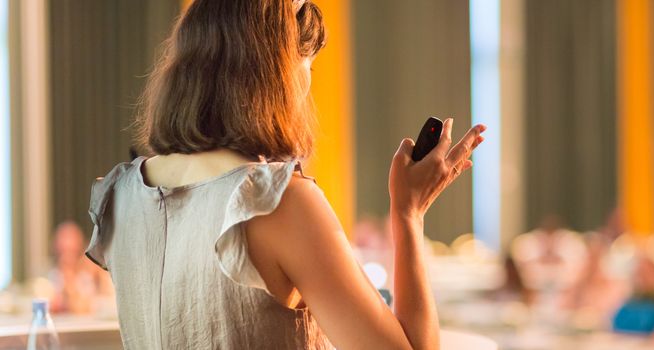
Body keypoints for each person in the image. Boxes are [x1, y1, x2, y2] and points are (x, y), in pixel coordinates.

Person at [84, 0, 487, 349]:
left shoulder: (119, 195)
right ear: (277, 77)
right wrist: (408, 215)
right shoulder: (275, 200)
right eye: (305, 68)